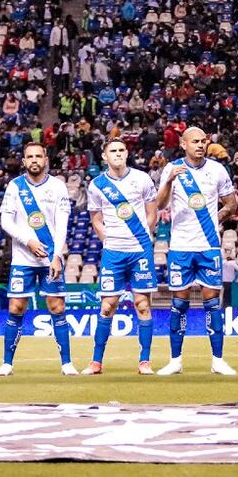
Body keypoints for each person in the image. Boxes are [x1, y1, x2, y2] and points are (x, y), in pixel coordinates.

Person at [154, 127, 238, 376]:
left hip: (208, 246)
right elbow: (159, 204)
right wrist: (169, 181)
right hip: (180, 246)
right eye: (195, 141)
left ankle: (218, 360)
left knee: (212, 304)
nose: (200, 145)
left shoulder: (217, 170)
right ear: (183, 144)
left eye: (203, 141)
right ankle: (175, 361)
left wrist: (215, 218)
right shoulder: (172, 169)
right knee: (179, 304)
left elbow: (231, 203)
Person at [0, 143, 75, 377]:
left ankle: (67, 363)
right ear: (23, 161)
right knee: (16, 307)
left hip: (51, 259)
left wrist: (57, 255)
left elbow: (62, 224)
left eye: (38, 156)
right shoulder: (15, 186)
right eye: (29, 156)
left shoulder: (57, 186)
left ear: (45, 159)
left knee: (57, 307)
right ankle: (7, 364)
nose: (34, 160)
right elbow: (6, 221)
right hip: (23, 259)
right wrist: (28, 240)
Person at [83, 138, 159, 375]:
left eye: (121, 150)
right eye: (113, 151)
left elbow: (152, 213)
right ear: (104, 157)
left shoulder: (142, 179)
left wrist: (141, 236)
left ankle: (144, 361)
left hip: (139, 251)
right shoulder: (97, 185)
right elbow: (96, 219)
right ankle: (96, 362)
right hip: (113, 252)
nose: (117, 154)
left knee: (142, 305)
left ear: (127, 153)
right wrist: (109, 240)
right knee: (107, 306)